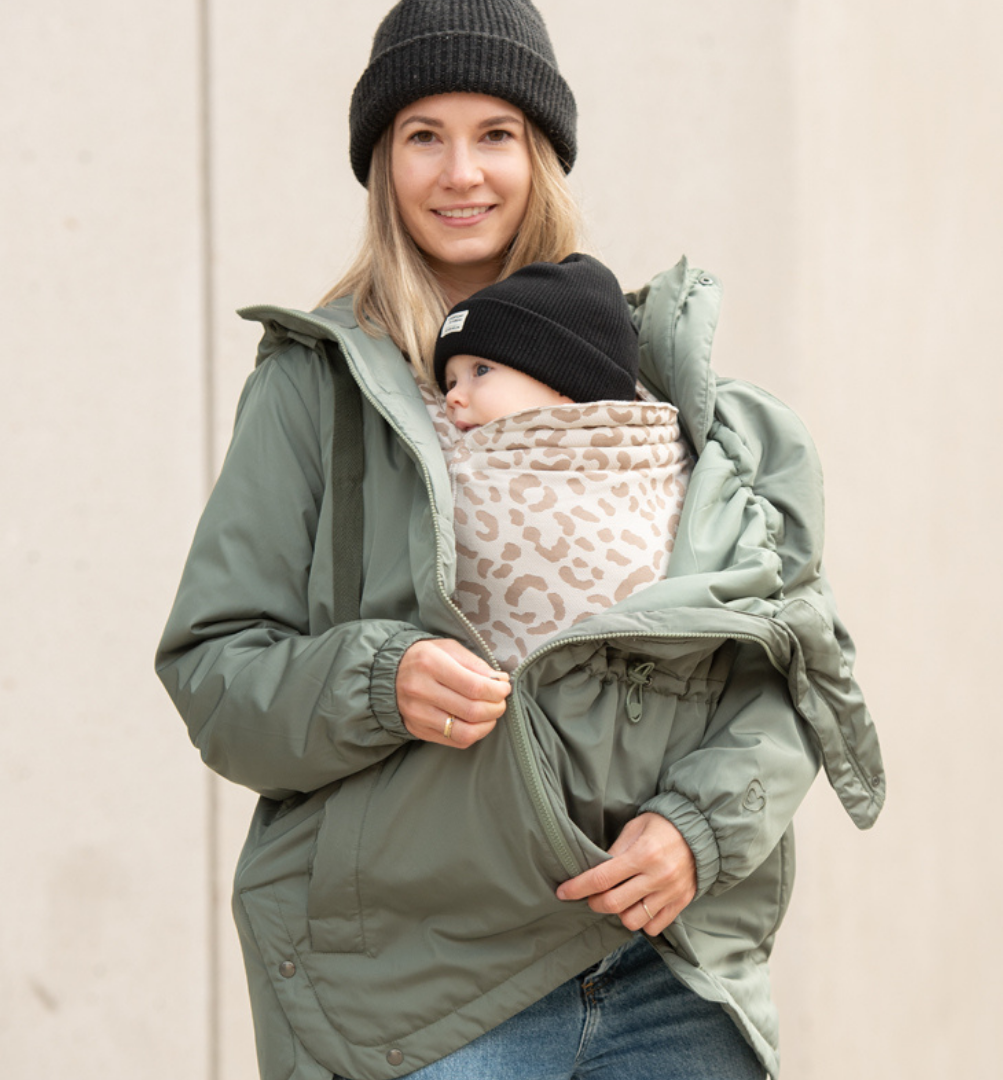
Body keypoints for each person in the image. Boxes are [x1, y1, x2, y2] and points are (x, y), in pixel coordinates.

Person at [155, 2, 886, 1079]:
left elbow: (792, 661)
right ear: (381, 162)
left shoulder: (655, 388)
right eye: (424, 136)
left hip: (668, 979)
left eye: (495, 133)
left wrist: (701, 828)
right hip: (423, 994)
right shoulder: (313, 388)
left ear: (540, 152)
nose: (462, 173)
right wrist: (377, 682)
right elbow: (217, 673)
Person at [433, 251, 693, 672]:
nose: (453, 397)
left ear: (561, 378)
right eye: (450, 381)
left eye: (480, 370)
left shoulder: (664, 456)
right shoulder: (457, 466)